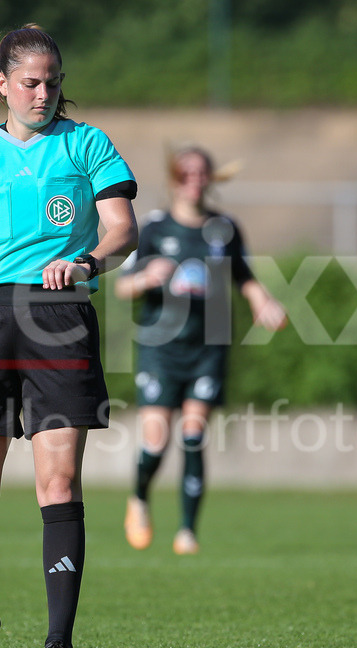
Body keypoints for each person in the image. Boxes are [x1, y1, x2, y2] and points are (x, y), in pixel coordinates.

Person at [0, 24, 138, 648]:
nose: (44, 92)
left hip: (60, 319)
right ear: (3, 85)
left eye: (52, 81)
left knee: (59, 481)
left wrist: (88, 263)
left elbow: (123, 230)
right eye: (30, 82)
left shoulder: (89, 143)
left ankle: (58, 643)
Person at [115, 145, 286, 555]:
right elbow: (121, 287)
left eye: (201, 173)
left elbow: (244, 275)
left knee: (193, 435)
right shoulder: (154, 229)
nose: (195, 180)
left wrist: (261, 299)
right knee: (156, 440)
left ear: (211, 179)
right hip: (160, 348)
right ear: (174, 179)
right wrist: (144, 279)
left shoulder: (223, 228)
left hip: (208, 347)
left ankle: (187, 531)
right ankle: (139, 498)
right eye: (186, 173)